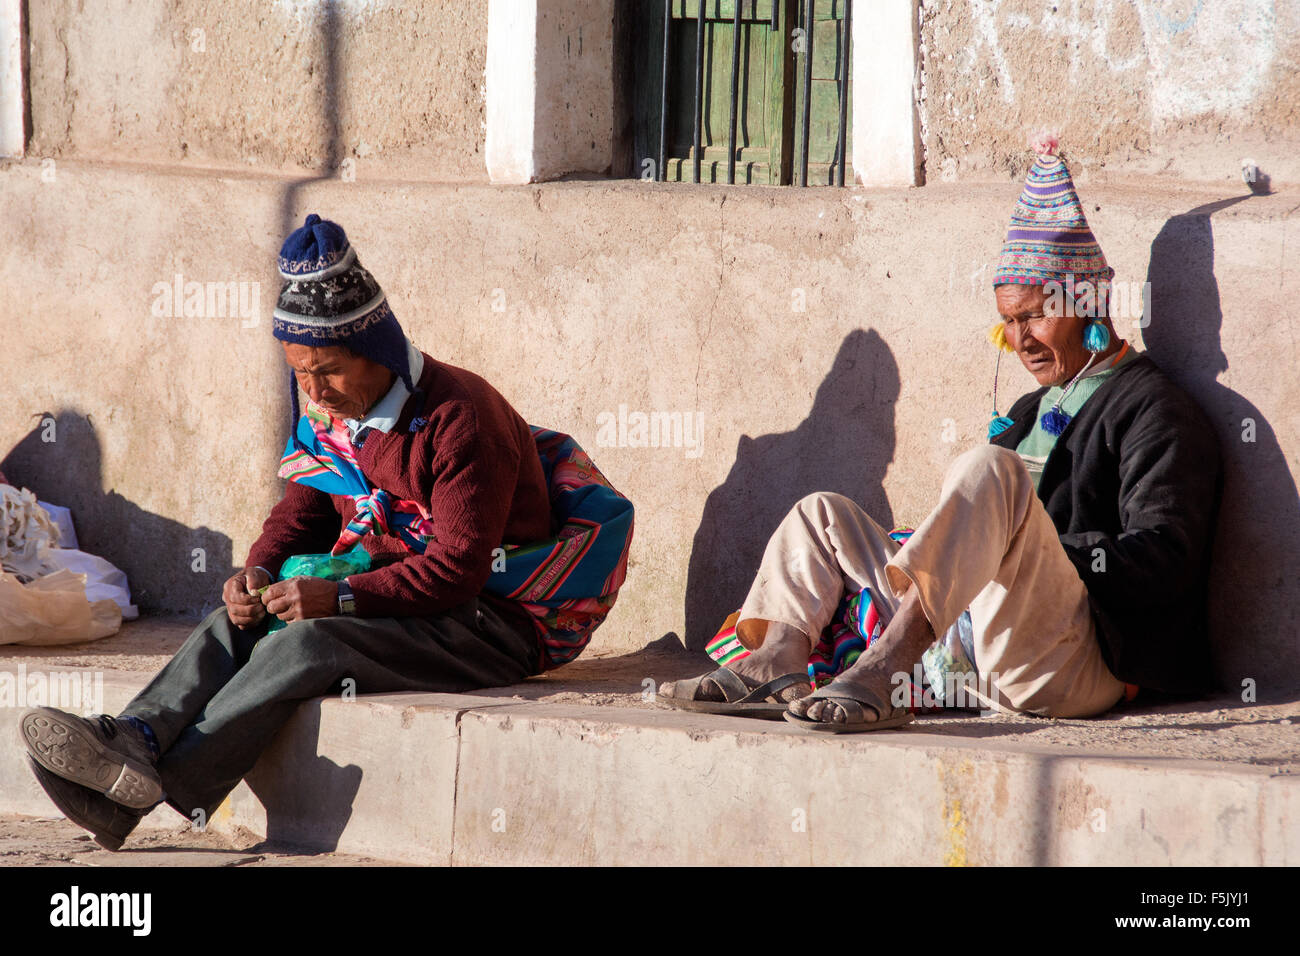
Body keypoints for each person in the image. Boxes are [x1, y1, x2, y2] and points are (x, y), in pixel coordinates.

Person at [20, 215, 633, 848]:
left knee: (305, 646)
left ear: (381, 351)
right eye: (301, 372)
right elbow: (305, 511)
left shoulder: (459, 419)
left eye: (330, 371)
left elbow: (458, 569)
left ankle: (159, 783)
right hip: (394, 592)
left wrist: (338, 598)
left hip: (492, 620)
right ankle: (133, 741)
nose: (315, 390)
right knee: (244, 617)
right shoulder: (329, 412)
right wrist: (257, 570)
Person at [659, 138, 1222, 731]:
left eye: (1035, 315)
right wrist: (966, 552)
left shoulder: (1158, 411)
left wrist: (1039, 552)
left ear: (1092, 304)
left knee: (990, 469)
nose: (1020, 339)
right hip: (978, 639)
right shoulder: (1034, 409)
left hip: (1071, 661)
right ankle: (776, 662)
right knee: (819, 514)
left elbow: (1165, 561)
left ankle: (888, 668)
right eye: (1008, 321)